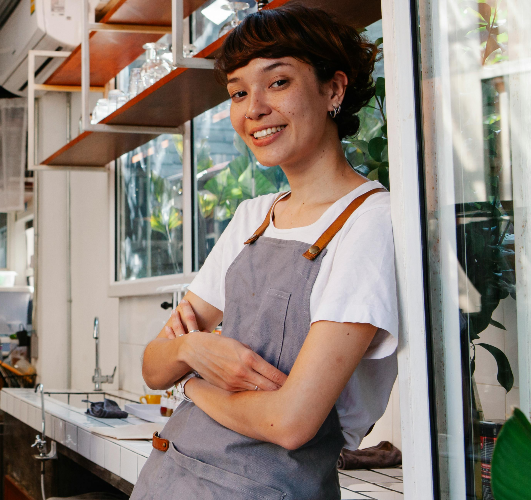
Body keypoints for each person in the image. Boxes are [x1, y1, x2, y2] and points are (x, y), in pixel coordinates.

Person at [130, 6, 398, 499]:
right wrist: (191, 349)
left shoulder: (371, 221)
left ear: (333, 89)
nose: (252, 108)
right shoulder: (254, 216)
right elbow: (153, 365)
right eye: (237, 92)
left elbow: (290, 422)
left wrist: (190, 383)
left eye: (277, 82)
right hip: (168, 477)